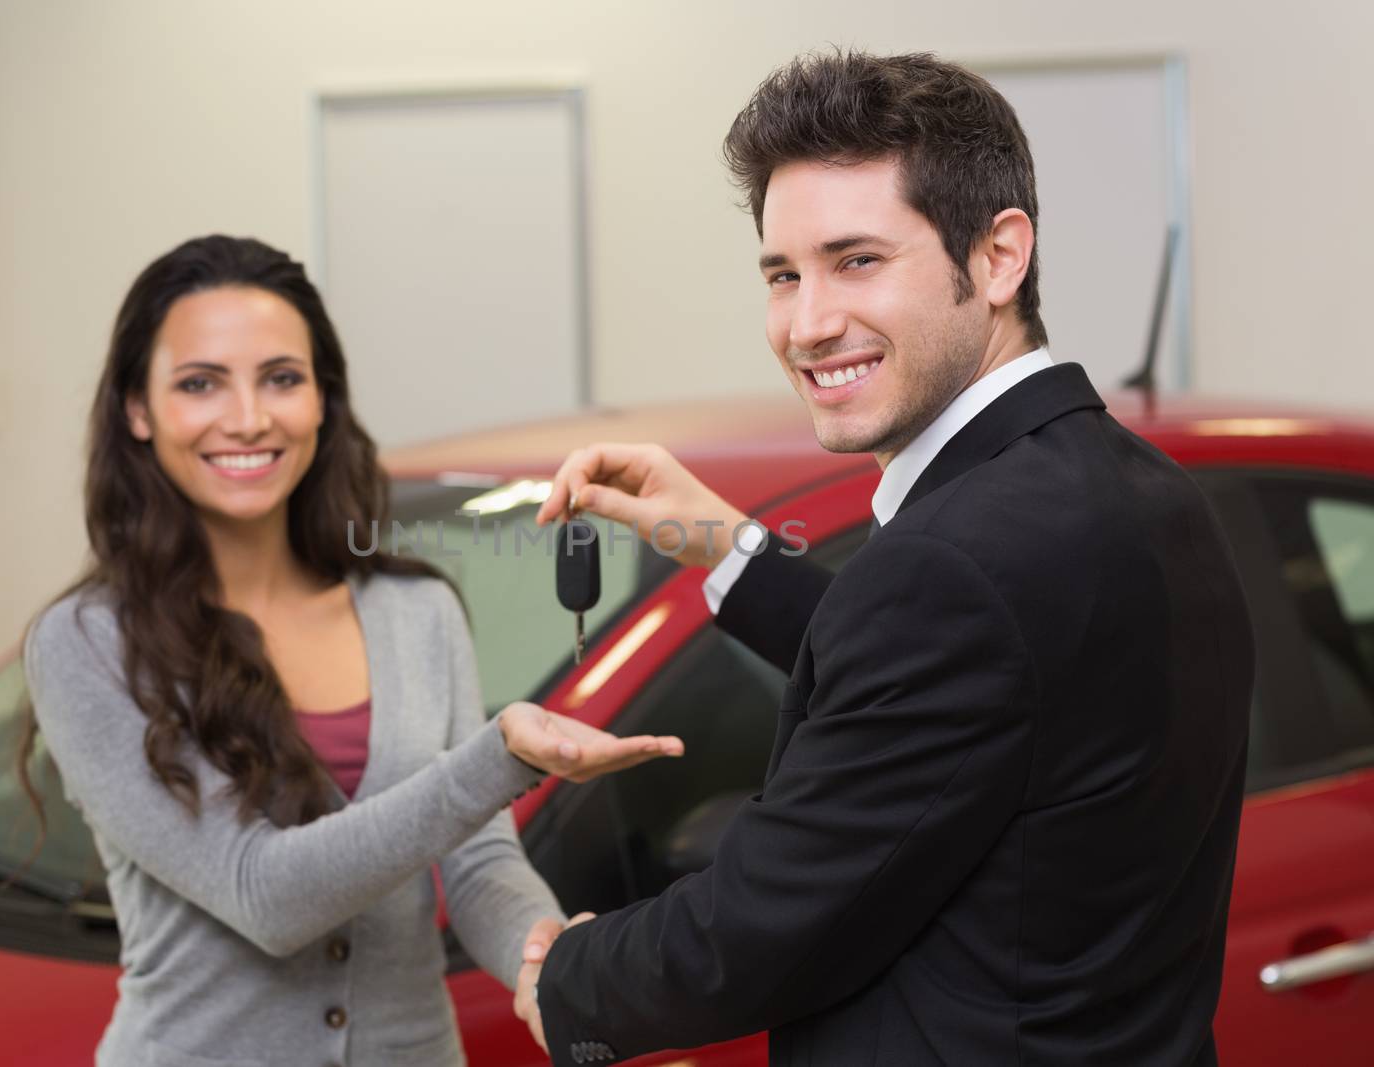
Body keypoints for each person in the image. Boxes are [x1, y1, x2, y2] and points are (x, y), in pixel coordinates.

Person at [514, 50, 1254, 1066]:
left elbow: (763, 922)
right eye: (782, 273)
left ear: (998, 257)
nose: (807, 324)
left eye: (856, 259)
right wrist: (729, 549)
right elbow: (979, 698)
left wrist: (572, 974)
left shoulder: (952, 567)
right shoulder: (1145, 490)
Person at [18, 234, 682, 1066]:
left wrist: (543, 956)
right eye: (200, 383)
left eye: (282, 378)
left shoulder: (416, 609)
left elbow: (475, 857)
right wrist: (500, 755)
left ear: (324, 400)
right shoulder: (89, 643)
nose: (250, 417)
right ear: (137, 410)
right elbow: (265, 893)